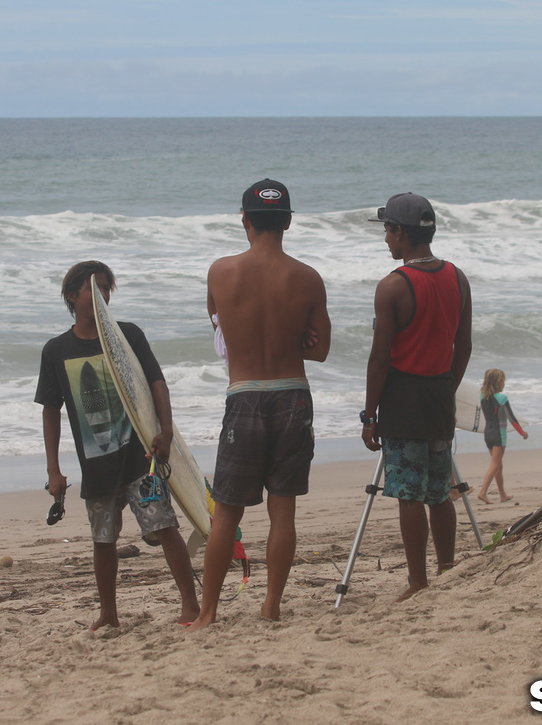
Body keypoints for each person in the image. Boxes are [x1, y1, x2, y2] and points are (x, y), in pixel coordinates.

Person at [186, 179, 331, 631]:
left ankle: (208, 612)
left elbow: (221, 337)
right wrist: (296, 339)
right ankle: (271, 606)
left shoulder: (220, 272)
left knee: (227, 510)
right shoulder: (307, 277)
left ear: (245, 220)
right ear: (287, 221)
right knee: (282, 510)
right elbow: (321, 349)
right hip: (292, 395)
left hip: (244, 395)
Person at [35, 261, 199, 629]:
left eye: (107, 288)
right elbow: (50, 410)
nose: (103, 296)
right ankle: (108, 615)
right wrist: (53, 469)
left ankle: (191, 605)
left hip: (141, 457)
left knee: (164, 526)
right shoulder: (56, 350)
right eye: (95, 289)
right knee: (103, 538)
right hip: (96, 464)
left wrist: (166, 431)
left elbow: (156, 383)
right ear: (72, 296)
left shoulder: (128, 336)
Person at [361, 192, 472, 601]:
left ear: (401, 234)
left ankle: (418, 581)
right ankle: (446, 568)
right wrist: (449, 384)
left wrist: (370, 413)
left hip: (403, 397)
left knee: (408, 493)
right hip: (440, 392)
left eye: (388, 231)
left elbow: (380, 358)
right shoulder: (457, 277)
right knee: (439, 490)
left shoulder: (393, 286)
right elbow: (465, 345)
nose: (386, 240)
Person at [476, 368, 528, 504]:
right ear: (499, 382)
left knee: (498, 466)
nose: (504, 384)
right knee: (495, 465)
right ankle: (482, 492)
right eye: (503, 381)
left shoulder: (483, 396)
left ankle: (503, 495)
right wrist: (522, 433)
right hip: (499, 435)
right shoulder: (502, 398)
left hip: (488, 434)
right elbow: (511, 418)